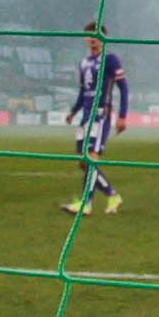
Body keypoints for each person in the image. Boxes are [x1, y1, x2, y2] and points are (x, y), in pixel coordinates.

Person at [60, 22, 129, 215]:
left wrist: (122, 116)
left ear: (103, 38)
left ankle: (86, 204)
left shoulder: (110, 59)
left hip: (100, 115)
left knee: (91, 158)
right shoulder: (83, 63)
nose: (92, 39)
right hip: (85, 116)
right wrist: (73, 111)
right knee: (84, 163)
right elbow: (83, 91)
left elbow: (123, 88)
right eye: (89, 35)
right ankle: (113, 195)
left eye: (96, 35)